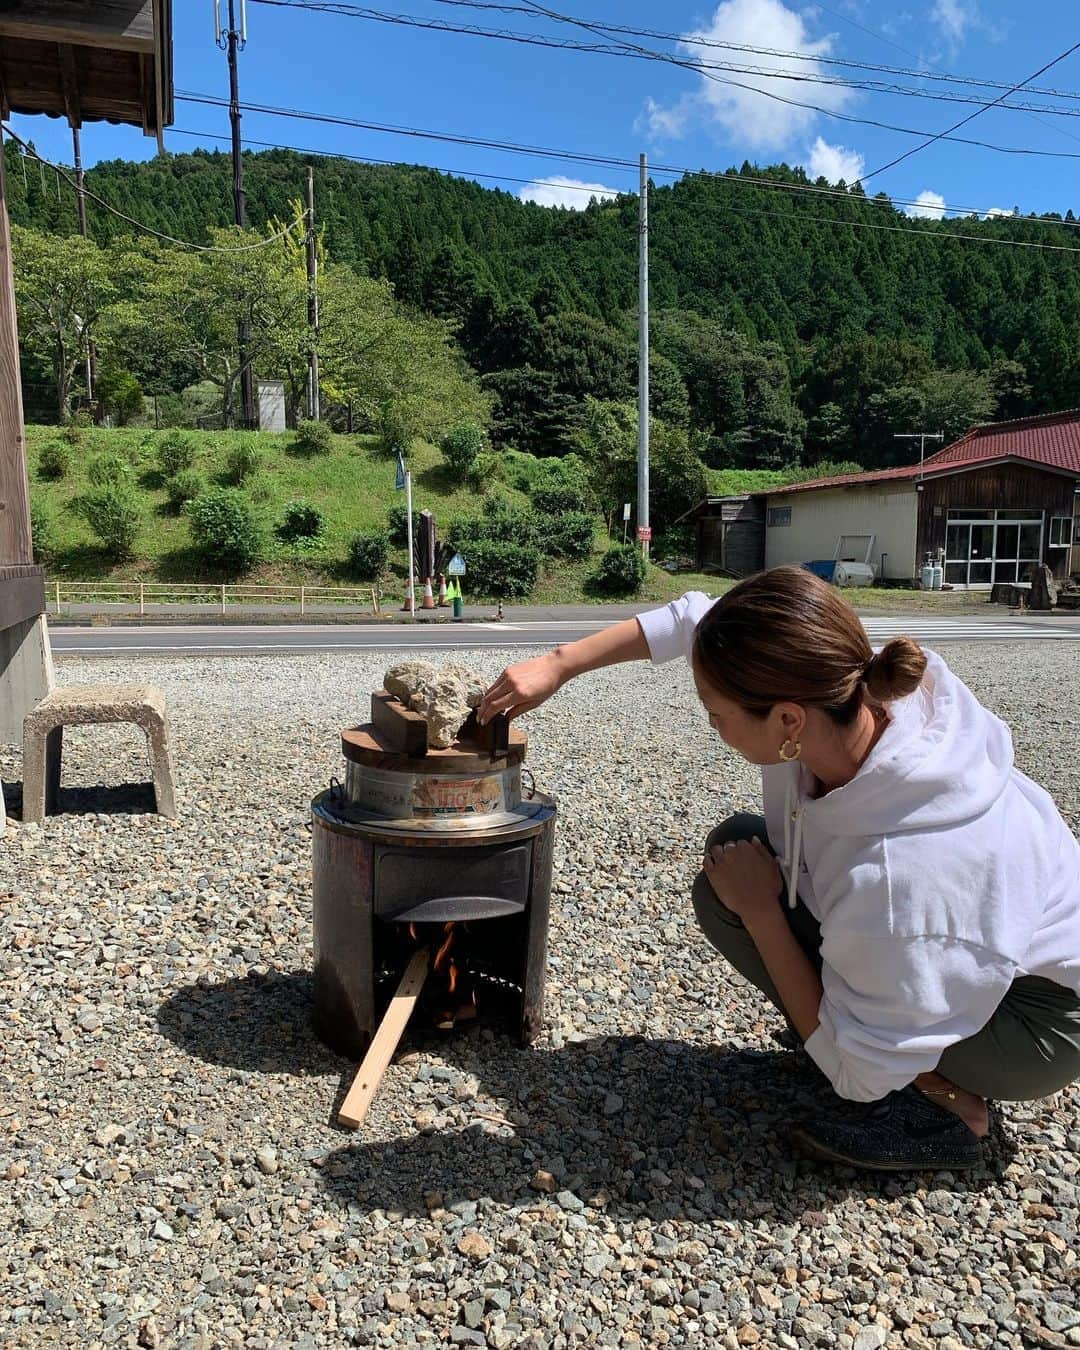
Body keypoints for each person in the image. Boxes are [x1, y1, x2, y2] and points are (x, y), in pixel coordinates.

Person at [478, 566, 1080, 1170]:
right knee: (734, 853)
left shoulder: (902, 875)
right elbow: (698, 622)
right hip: (959, 942)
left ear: (788, 722)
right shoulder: (836, 683)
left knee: (757, 911)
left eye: (716, 715)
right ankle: (859, 1011)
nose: (712, 727)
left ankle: (950, 1111)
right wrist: (558, 663)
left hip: (1036, 1020)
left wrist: (766, 912)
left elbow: (856, 1072)